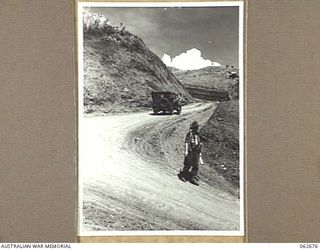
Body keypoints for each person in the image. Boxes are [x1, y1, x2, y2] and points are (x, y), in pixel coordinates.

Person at [180, 121, 204, 185]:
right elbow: (187, 143)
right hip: (190, 151)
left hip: (196, 151)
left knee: (196, 164)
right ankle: (183, 175)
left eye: (197, 127)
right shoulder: (189, 134)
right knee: (188, 164)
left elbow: (200, 143)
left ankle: (192, 177)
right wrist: (186, 151)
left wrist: (200, 152)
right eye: (195, 127)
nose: (196, 128)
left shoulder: (198, 135)